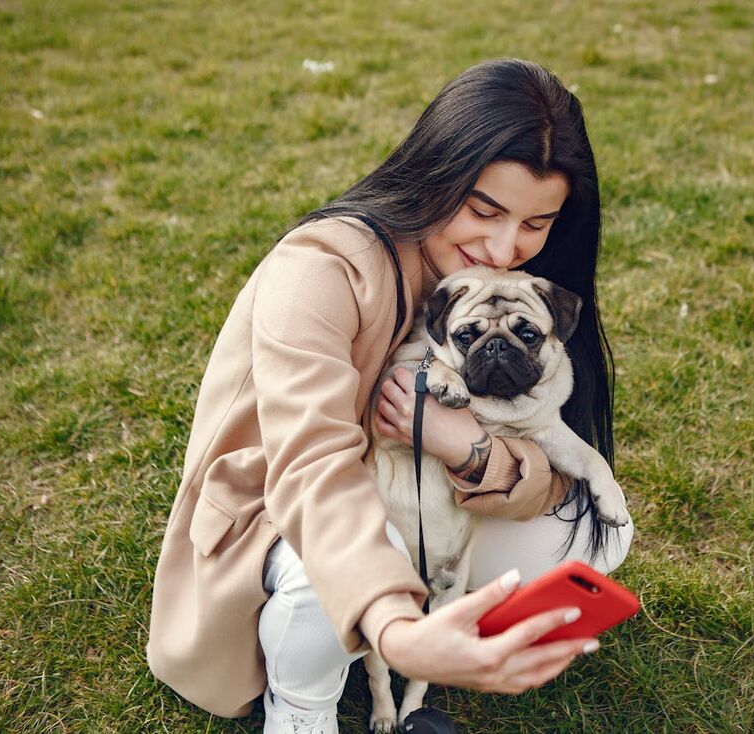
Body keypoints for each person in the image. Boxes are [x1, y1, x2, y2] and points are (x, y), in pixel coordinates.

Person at [146, 58, 634, 733]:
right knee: (349, 557)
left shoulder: (514, 290)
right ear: (437, 172)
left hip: (422, 498)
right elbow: (312, 469)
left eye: (536, 222)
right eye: (483, 210)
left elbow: (542, 452)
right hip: (282, 516)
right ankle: (302, 703)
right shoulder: (321, 267)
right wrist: (397, 632)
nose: (504, 247)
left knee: (595, 534)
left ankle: (413, 618)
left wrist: (468, 448)